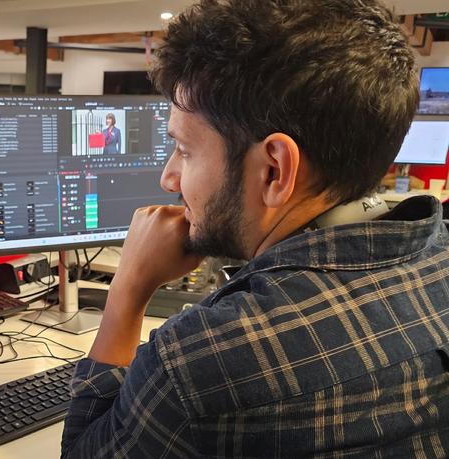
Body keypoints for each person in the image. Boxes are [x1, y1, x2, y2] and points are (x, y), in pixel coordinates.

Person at [61, 0, 448, 458]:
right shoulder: (437, 258)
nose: (168, 178)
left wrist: (128, 288)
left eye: (183, 150)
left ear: (274, 171)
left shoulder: (202, 362)